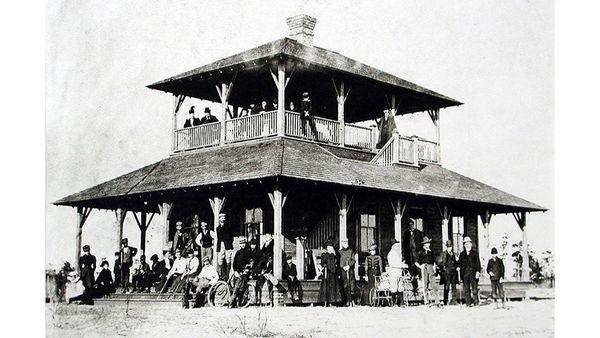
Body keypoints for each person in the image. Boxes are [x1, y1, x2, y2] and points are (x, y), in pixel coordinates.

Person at [416, 236, 441, 307]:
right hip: (424, 268)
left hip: (430, 267)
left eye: (428, 243)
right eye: (427, 243)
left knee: (433, 284)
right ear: (424, 244)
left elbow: (434, 261)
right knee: (425, 284)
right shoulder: (420, 252)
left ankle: (437, 301)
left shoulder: (431, 252)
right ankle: (426, 301)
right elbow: (416, 262)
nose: (428, 244)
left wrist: (434, 268)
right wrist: (421, 267)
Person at [458, 236, 481, 307]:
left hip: (473, 274)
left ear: (471, 244)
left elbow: (478, 263)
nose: (467, 245)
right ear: (464, 245)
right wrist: (458, 267)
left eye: (468, 244)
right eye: (465, 244)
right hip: (465, 274)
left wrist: (478, 271)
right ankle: (468, 303)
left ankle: (476, 302)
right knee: (466, 289)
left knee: (474, 289)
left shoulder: (475, 253)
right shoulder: (462, 254)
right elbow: (459, 263)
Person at [402, 219, 423, 292]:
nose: (411, 226)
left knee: (418, 267)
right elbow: (404, 245)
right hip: (410, 254)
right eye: (409, 225)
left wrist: (420, 252)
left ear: (413, 225)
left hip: (417, 253)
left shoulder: (418, 233)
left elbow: (421, 243)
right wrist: (404, 256)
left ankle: (419, 280)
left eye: (412, 224)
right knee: (411, 268)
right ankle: (413, 280)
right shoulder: (406, 233)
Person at [319, 240, 341, 306]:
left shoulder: (334, 255)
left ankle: (332, 302)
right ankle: (325, 302)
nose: (331, 249)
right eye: (329, 247)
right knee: (326, 287)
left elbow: (336, 263)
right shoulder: (324, 255)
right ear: (327, 248)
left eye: (332, 248)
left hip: (333, 274)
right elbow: (322, 263)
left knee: (333, 288)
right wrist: (324, 266)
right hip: (327, 273)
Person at [386, 241, 406, 306]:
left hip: (399, 273)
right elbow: (393, 264)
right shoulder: (391, 254)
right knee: (394, 288)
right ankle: (394, 303)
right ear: (393, 246)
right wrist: (402, 265)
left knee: (400, 287)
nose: (398, 247)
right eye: (397, 245)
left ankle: (401, 303)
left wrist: (402, 264)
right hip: (393, 273)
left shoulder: (398, 254)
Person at [215, 213, 234, 279]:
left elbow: (231, 237)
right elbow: (218, 238)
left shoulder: (228, 227)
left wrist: (230, 244)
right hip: (221, 245)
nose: (222, 219)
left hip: (227, 244)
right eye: (221, 218)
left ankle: (227, 275)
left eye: (223, 218)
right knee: (220, 259)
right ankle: (223, 274)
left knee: (228, 258)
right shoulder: (217, 228)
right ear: (219, 219)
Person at [440, 240, 458, 305]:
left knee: (454, 287)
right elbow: (442, 263)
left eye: (450, 247)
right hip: (447, 273)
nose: (449, 248)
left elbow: (456, 262)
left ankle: (454, 300)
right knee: (447, 286)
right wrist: (444, 270)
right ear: (446, 247)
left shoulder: (454, 254)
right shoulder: (444, 254)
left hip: (453, 272)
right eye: (448, 247)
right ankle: (445, 301)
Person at [339, 238, 356, 306]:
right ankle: (346, 301)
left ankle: (352, 300)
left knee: (352, 285)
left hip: (350, 270)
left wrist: (349, 265)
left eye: (347, 243)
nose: (346, 244)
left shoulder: (351, 251)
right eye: (344, 243)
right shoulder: (340, 252)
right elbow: (338, 261)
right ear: (342, 244)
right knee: (345, 285)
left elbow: (353, 260)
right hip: (343, 270)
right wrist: (343, 267)